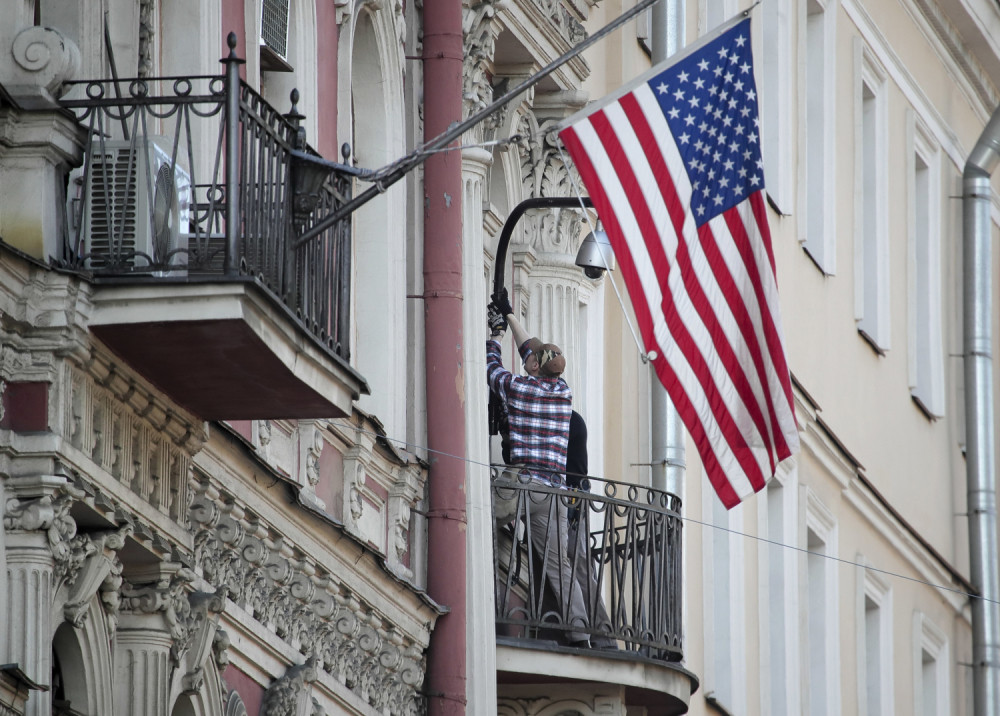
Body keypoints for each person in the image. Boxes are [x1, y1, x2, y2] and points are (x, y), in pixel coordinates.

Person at [486, 292, 604, 648]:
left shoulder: (519, 389)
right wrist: (509, 314)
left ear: (535, 367)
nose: (528, 359)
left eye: (532, 359)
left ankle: (478, 595)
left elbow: (492, 372)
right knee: (560, 568)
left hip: (521, 485)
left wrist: (493, 336)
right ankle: (580, 632)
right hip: (552, 495)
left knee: (474, 516)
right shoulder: (564, 394)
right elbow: (530, 351)